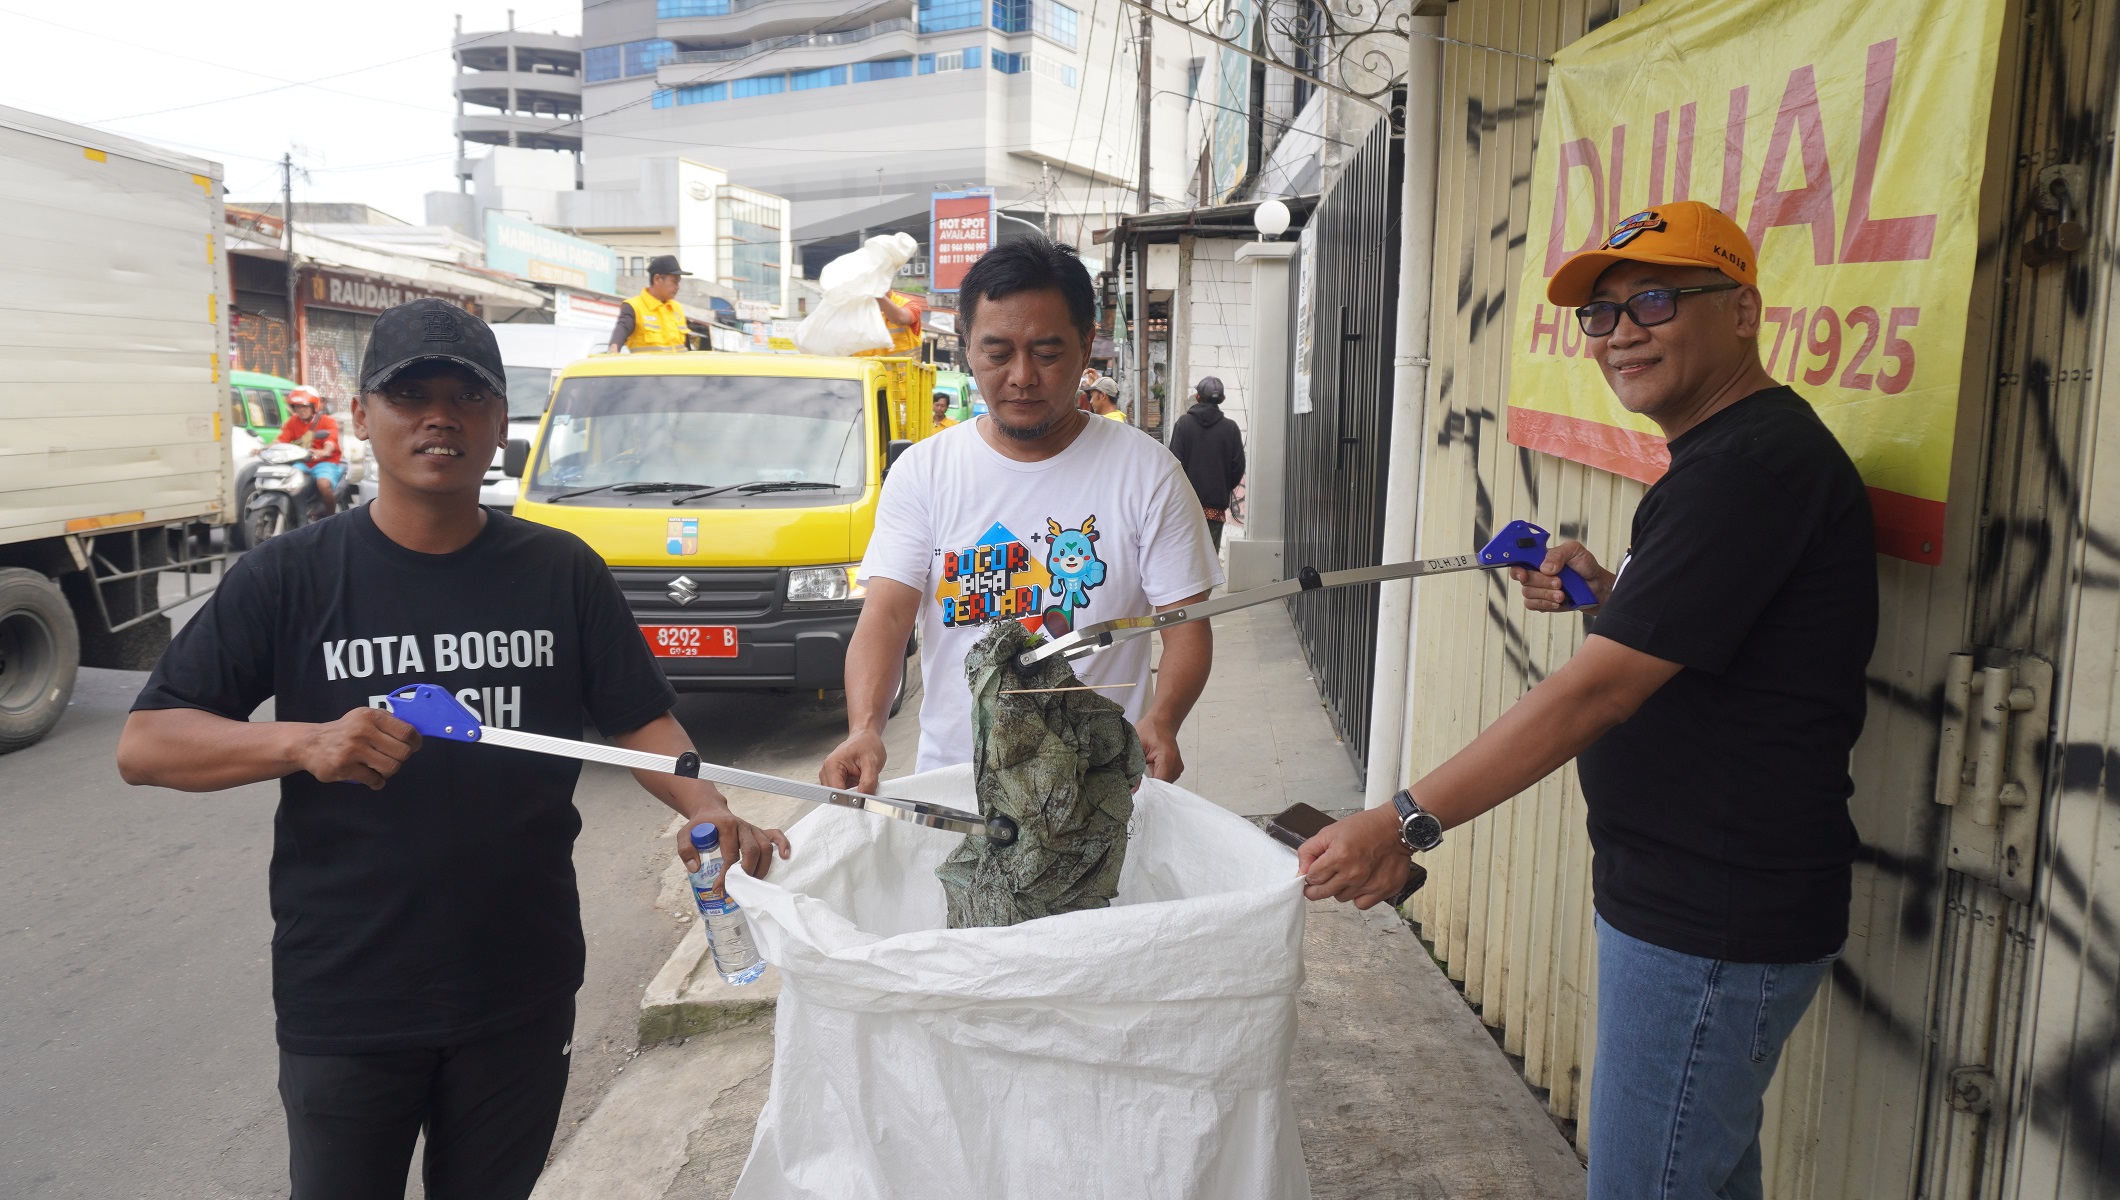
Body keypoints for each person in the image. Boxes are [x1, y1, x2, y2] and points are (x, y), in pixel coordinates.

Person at [116, 298, 789, 1200]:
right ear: (362, 417)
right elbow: (147, 742)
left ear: (500, 423)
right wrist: (307, 742)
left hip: (519, 985)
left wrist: (705, 806)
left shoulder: (561, 571)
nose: (439, 416)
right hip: (348, 991)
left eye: (466, 396)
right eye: (408, 394)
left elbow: (639, 723)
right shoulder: (290, 576)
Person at [1296, 201, 1877, 1200]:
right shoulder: (1727, 461)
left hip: (1709, 915)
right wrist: (1611, 598)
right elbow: (1693, 653)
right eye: (1599, 316)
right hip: (1693, 905)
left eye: (1652, 299)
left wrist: (1402, 821)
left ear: (1741, 310)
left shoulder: (1744, 467)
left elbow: (1595, 694)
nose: (1621, 334)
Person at [820, 238, 1223, 792]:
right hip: (956, 788)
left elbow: (1184, 626)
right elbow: (887, 619)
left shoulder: (1148, 473)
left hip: (1098, 787)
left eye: (1048, 353)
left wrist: (1163, 720)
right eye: (998, 352)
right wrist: (863, 728)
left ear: (1086, 350)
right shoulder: (924, 471)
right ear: (966, 348)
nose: (1022, 376)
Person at [1167, 375, 1246, 548]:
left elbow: (1174, 465)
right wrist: (1222, 487)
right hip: (1215, 509)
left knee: (1185, 557)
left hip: (1186, 506)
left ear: (1197, 397)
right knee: (1209, 562)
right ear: (1223, 399)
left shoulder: (1183, 424)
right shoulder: (1231, 428)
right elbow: (1238, 468)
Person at [275, 386, 345, 516]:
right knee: (287, 480)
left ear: (314, 406)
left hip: (325, 462)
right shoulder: (292, 422)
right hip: (302, 462)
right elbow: (281, 439)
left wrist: (324, 451)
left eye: (304, 407)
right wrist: (264, 449)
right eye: (297, 407)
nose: (301, 410)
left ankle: (330, 516)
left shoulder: (328, 421)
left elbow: (331, 439)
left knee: (323, 484)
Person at [608, 254, 691, 352]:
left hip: (678, 367)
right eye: (674, 281)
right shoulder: (634, 307)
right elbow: (622, 330)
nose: (678, 286)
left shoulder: (676, 308)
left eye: (678, 282)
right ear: (657, 279)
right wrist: (613, 349)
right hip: (648, 367)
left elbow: (686, 348)